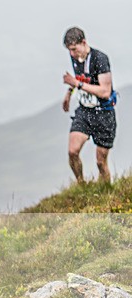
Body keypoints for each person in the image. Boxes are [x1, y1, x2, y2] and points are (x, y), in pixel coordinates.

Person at [62, 26, 117, 184]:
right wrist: (68, 93)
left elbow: (105, 91)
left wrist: (77, 85)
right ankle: (81, 184)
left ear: (83, 42)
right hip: (85, 111)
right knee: (72, 152)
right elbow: (80, 78)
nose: (72, 54)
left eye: (73, 49)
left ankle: (106, 192)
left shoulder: (100, 59)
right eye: (69, 50)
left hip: (104, 113)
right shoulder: (75, 57)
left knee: (101, 162)